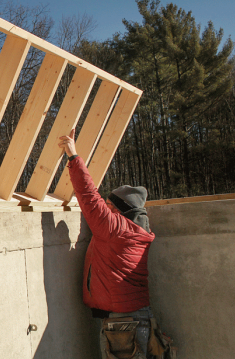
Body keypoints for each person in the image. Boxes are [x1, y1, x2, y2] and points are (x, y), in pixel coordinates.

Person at [58, 129, 156, 359]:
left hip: (123, 322)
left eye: (111, 206)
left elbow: (90, 197)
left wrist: (73, 156)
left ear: (122, 210)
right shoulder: (138, 231)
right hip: (138, 315)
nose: (107, 209)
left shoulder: (117, 229)